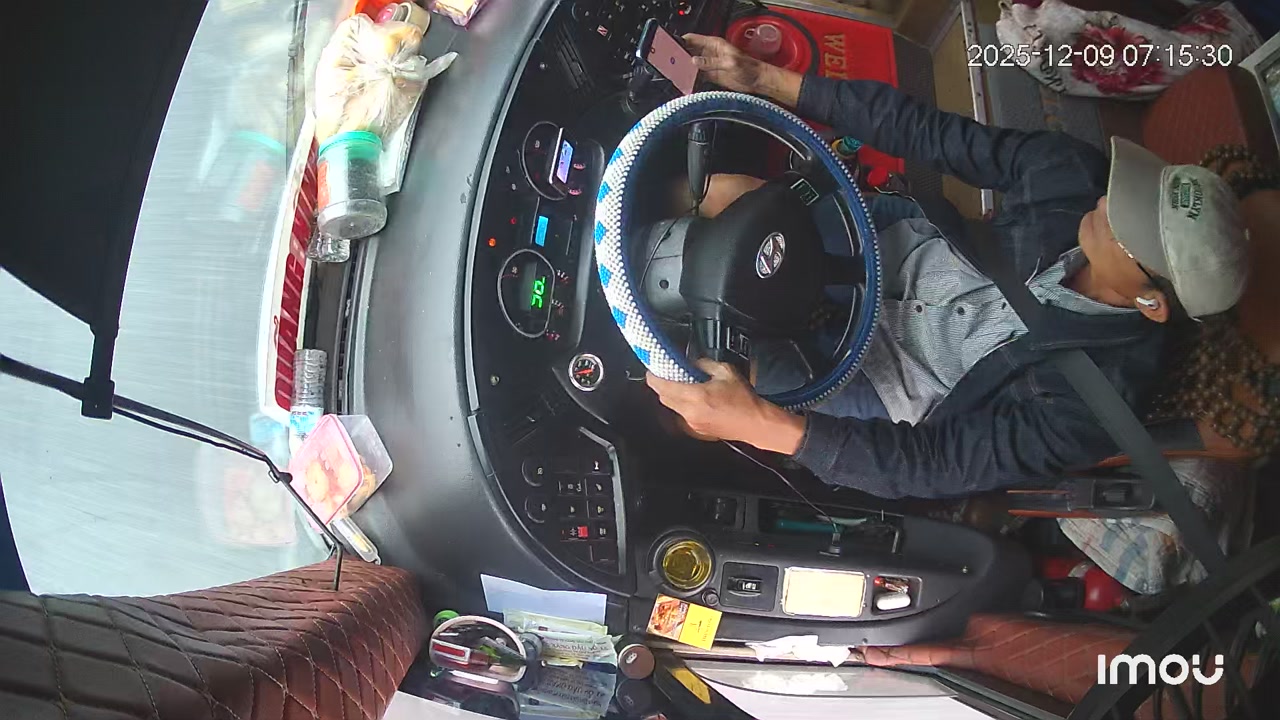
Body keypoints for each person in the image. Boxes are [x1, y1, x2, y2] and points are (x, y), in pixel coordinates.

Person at [645, 35, 1250, 499]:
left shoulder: (1096, 408)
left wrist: (759, 424)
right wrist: (764, 78)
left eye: (1130, 224)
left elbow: (936, 464)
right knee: (722, 196)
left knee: (697, 398)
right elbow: (927, 133)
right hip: (889, 245)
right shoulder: (1072, 176)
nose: (1111, 203)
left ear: (1151, 301)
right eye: (1135, 190)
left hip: (884, 379)